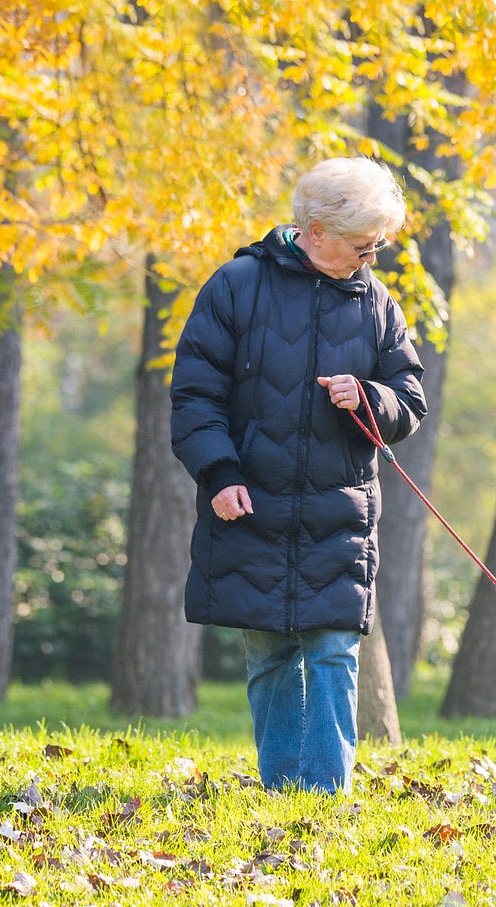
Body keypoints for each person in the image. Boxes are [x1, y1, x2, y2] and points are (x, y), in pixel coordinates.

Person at [171, 157, 427, 794]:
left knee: (336, 649)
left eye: (378, 246)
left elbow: (410, 400)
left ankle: (326, 796)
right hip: (251, 503)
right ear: (315, 231)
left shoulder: (377, 302)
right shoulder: (234, 286)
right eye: (362, 245)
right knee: (272, 653)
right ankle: (284, 790)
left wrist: (369, 396)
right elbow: (194, 396)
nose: (371, 259)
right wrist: (219, 474)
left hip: (338, 512)